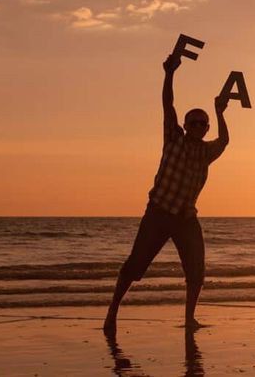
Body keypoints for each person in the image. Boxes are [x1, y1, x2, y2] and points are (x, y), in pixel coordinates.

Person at [103, 52, 229, 334]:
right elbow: (167, 104)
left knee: (196, 272)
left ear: (206, 127)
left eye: (202, 123)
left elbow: (225, 140)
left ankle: (189, 318)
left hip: (186, 218)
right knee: (135, 267)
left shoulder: (206, 152)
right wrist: (169, 73)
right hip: (158, 212)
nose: (198, 126)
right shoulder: (174, 138)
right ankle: (113, 310)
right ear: (185, 126)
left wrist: (220, 112)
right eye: (193, 122)